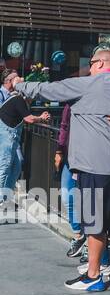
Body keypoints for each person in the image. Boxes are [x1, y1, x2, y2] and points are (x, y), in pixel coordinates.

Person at [16, 50, 110, 292]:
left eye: (91, 63)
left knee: (94, 223)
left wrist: (21, 84)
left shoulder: (88, 84)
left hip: (93, 168)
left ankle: (93, 277)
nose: (89, 68)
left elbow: (48, 90)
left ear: (101, 63)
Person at [0, 72, 51, 206]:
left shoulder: (17, 99)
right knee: (4, 167)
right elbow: (28, 119)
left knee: (16, 166)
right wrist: (41, 118)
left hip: (11, 136)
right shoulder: (18, 99)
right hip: (7, 136)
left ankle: (6, 196)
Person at [55, 104, 87, 259]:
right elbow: (64, 127)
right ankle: (80, 236)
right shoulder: (70, 104)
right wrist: (59, 151)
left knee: (89, 200)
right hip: (70, 156)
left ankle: (90, 243)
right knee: (68, 197)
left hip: (89, 158)